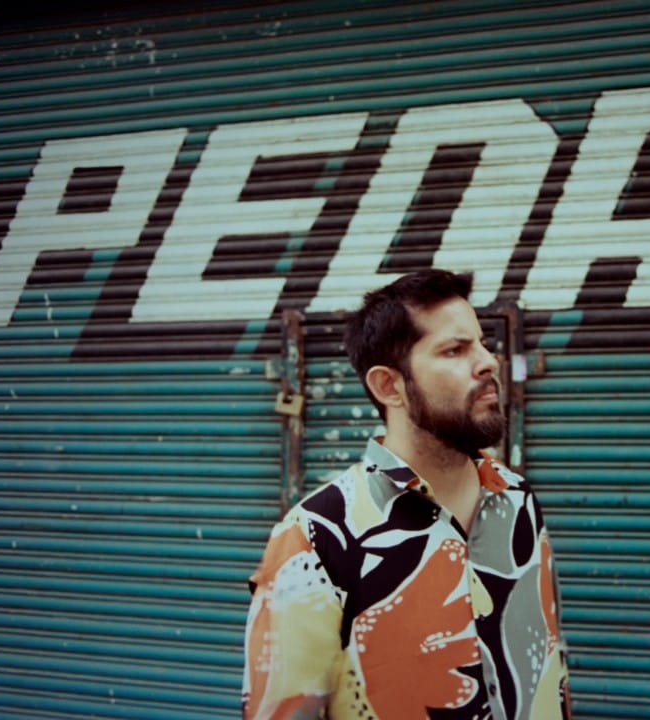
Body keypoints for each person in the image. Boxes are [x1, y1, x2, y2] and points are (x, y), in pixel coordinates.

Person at [242, 269, 570, 720]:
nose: (488, 362)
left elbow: (551, 674)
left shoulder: (517, 500)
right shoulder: (313, 540)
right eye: (454, 350)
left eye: (481, 343)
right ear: (388, 386)